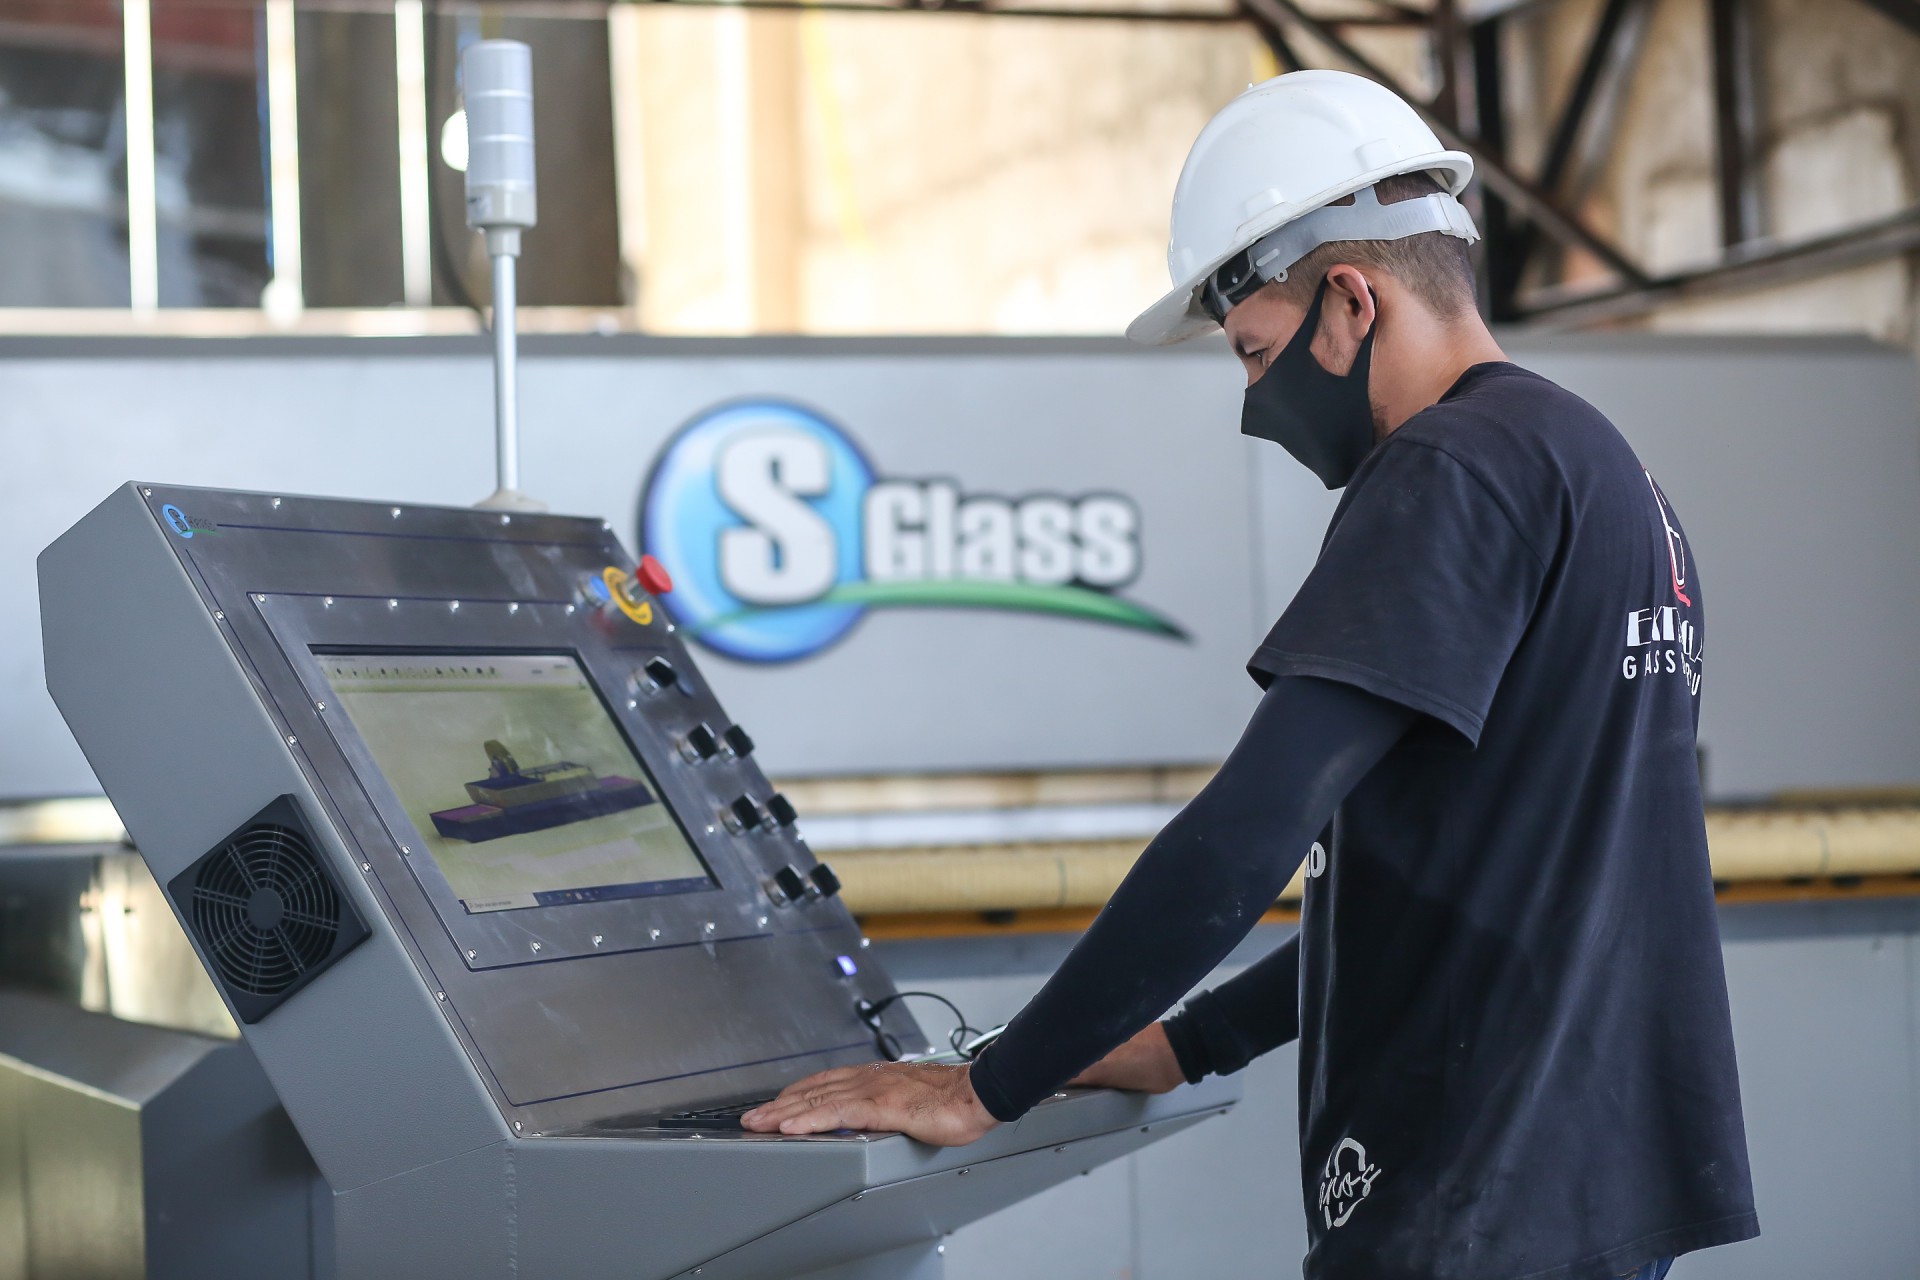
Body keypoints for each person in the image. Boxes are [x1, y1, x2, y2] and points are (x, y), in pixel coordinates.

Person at [743, 70, 1757, 1280]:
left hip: (1476, 1190)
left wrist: (986, 1086)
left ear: (1350, 300)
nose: (1255, 400)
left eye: (1255, 350)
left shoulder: (1449, 470)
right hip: (1581, 1185)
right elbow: (1484, 885)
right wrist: (1188, 1040)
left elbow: (1247, 828)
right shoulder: (1598, 470)